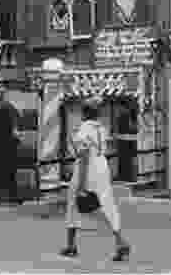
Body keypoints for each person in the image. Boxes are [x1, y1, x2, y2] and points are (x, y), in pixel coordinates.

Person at [61, 96, 130, 261]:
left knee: (73, 203)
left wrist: (83, 185)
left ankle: (71, 245)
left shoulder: (83, 130)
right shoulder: (101, 129)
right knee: (107, 204)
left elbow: (83, 156)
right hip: (102, 166)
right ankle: (120, 240)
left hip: (87, 167)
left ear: (84, 113)